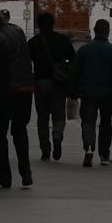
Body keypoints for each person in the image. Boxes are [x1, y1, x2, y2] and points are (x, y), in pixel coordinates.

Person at [0, 4, 34, 189]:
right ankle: (26, 174)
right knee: (20, 132)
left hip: (4, 91)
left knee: (0, 134)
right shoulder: (18, 31)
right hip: (25, 89)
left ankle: (4, 176)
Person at [69, 18, 112, 167]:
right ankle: (104, 154)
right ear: (108, 32)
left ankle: (89, 148)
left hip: (87, 93)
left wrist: (73, 90)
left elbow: (74, 72)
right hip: (107, 93)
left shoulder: (84, 50)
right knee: (105, 123)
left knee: (88, 122)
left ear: (94, 31)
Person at [27, 11, 75, 162]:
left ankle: (45, 148)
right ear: (53, 23)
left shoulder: (33, 42)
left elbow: (27, 63)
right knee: (58, 114)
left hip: (40, 82)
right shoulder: (62, 40)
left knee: (42, 117)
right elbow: (73, 61)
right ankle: (57, 137)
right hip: (58, 83)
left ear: (38, 25)